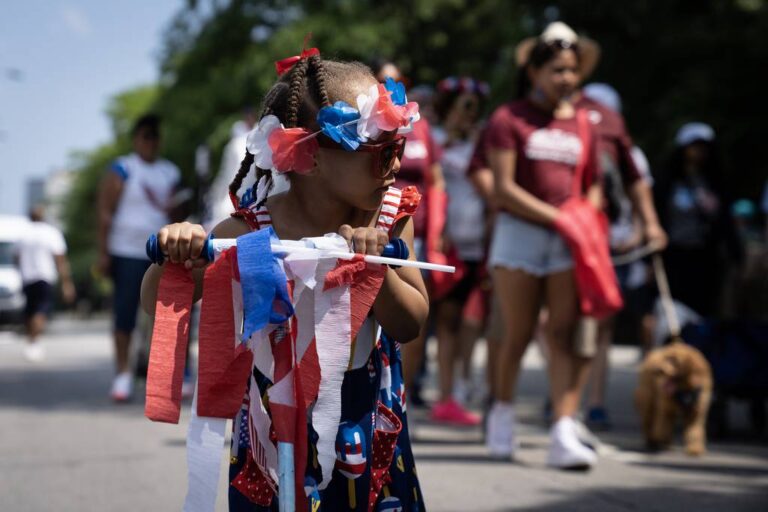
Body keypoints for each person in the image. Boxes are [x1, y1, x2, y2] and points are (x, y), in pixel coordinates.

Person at [140, 54, 427, 510]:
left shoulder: (389, 218)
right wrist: (175, 252)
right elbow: (156, 300)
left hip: (366, 413)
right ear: (309, 157)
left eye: (398, 148)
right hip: (272, 420)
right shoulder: (250, 230)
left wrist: (374, 269)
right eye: (380, 154)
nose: (394, 166)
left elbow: (411, 323)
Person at [485, 22, 602, 469]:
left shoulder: (584, 123)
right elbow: (503, 188)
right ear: (533, 72)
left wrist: (584, 217)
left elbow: (592, 183)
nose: (566, 78)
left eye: (571, 70)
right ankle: (501, 414)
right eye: (556, 70)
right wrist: (558, 217)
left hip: (569, 240)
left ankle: (563, 431)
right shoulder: (508, 118)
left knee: (562, 335)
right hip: (520, 234)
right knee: (517, 333)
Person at [578, 82, 667, 430]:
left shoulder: (629, 151)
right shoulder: (571, 137)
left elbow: (639, 190)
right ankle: (565, 395)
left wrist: (644, 231)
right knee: (563, 324)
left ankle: (595, 402)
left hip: (616, 250)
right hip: (576, 243)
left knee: (601, 326)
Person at [370, 59, 445, 408]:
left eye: (398, 80)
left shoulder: (422, 128)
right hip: (373, 226)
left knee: (413, 310)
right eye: (383, 80)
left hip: (412, 230)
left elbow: (436, 182)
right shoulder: (363, 127)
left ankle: (406, 389)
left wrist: (439, 232)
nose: (391, 87)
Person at [97, 114, 181, 401]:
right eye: (146, 136)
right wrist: (103, 252)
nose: (150, 141)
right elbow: (105, 210)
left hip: (161, 253)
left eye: (155, 136)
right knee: (125, 313)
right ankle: (122, 374)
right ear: (136, 139)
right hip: (126, 251)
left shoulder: (170, 171)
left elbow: (176, 212)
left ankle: (161, 373)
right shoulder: (123, 168)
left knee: (163, 316)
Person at [428, 77, 490, 425]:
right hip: (447, 246)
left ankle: (462, 386)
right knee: (447, 321)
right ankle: (445, 394)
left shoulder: (479, 145)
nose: (469, 114)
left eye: (474, 109)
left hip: (477, 245)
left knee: (473, 321)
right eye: (463, 107)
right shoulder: (434, 140)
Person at [655, 122, 741, 318]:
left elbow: (725, 221)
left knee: (705, 307)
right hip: (674, 256)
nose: (700, 152)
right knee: (673, 308)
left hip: (706, 257)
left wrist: (735, 253)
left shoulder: (716, 182)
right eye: (695, 146)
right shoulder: (667, 182)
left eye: (704, 147)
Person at [15, 206, 75, 361]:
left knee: (30, 310)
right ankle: (34, 341)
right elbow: (60, 260)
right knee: (40, 310)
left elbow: (16, 257)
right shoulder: (51, 233)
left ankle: (31, 341)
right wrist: (66, 283)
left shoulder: (23, 234)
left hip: (27, 277)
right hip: (44, 277)